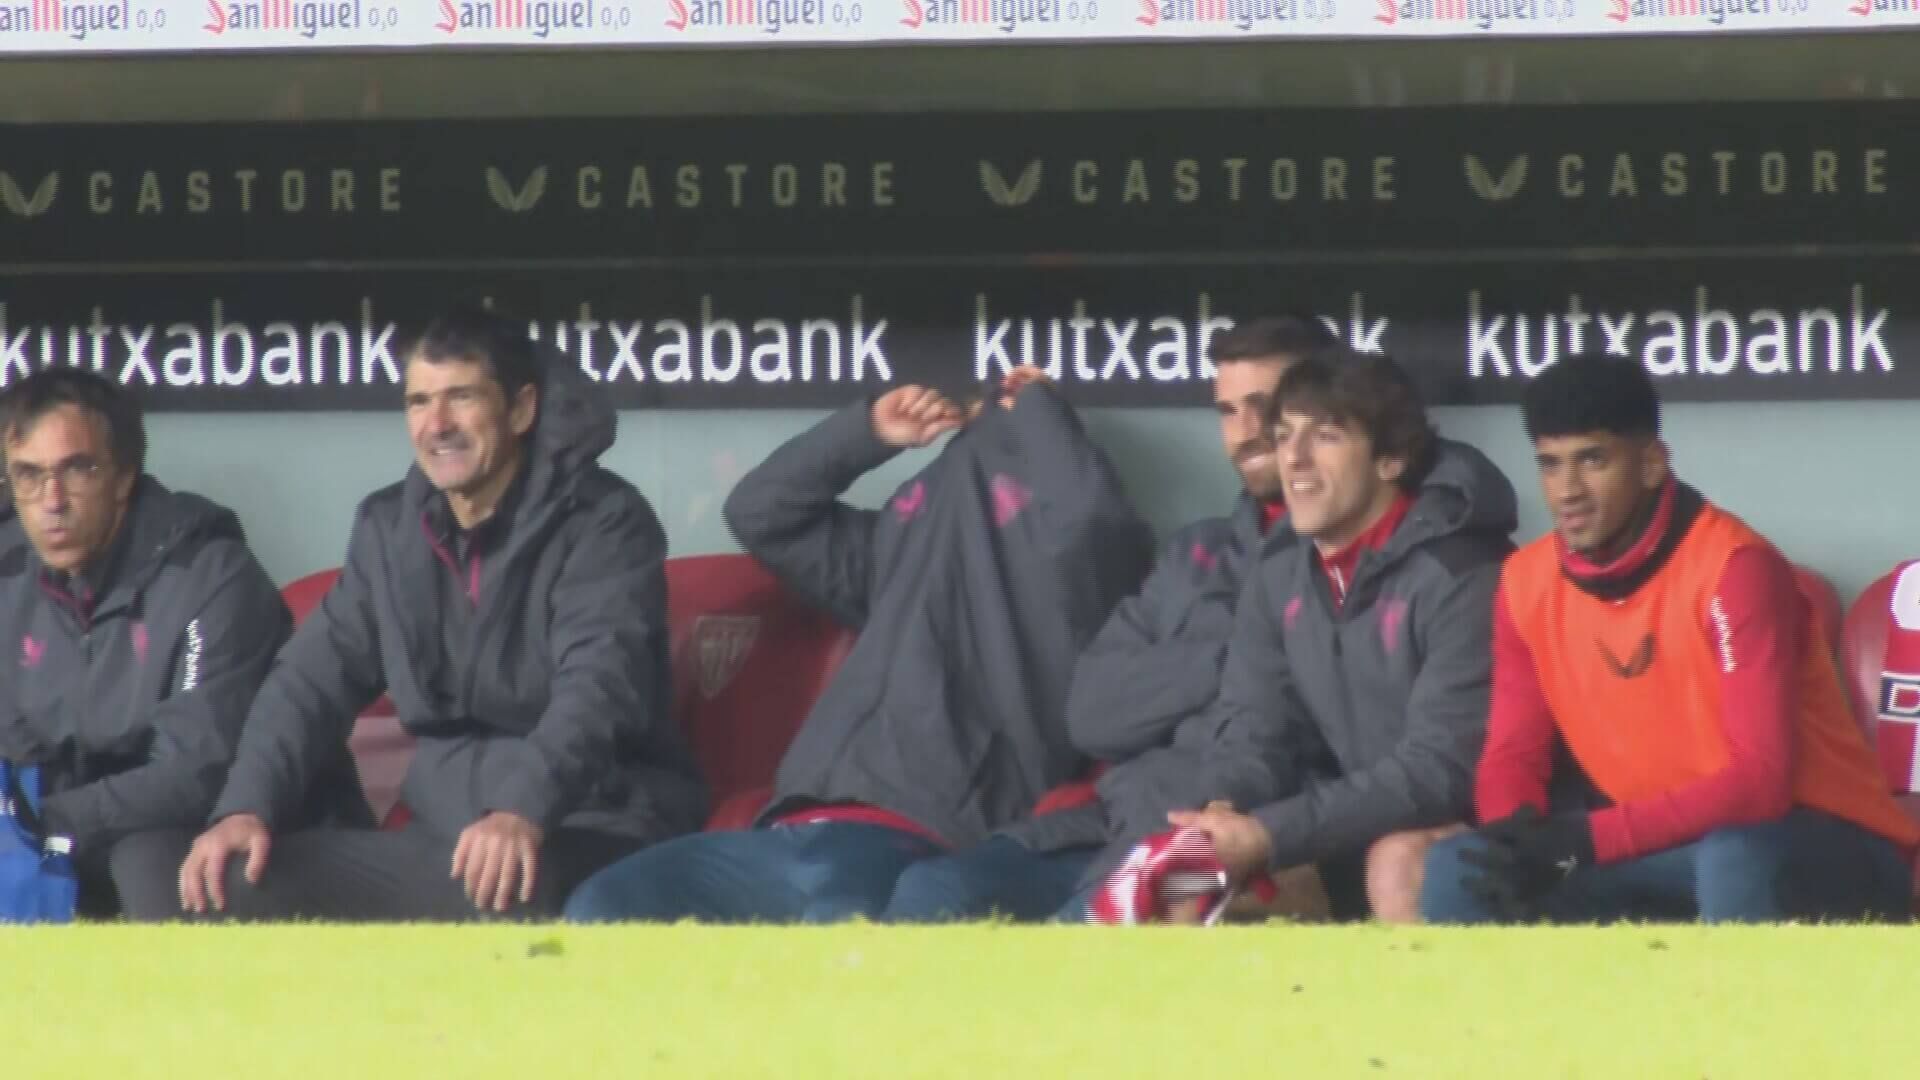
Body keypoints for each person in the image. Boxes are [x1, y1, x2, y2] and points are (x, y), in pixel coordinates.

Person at [162, 305, 706, 922]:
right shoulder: (389, 527)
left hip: (590, 823)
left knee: (506, 888)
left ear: (522, 409)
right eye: (419, 402)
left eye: (461, 398)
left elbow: (599, 687)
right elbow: (309, 683)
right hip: (441, 837)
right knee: (219, 882)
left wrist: (520, 810)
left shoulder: (605, 522)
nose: (436, 424)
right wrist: (244, 809)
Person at [562, 366, 1153, 923]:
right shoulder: (891, 562)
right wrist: (869, 431)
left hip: (908, 839)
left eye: (995, 495)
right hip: (784, 831)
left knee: (835, 948)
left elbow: (1091, 520)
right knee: (603, 903)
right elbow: (761, 512)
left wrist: (1037, 405)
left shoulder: (1073, 588)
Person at [1421, 353, 1918, 924]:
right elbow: (1514, 750)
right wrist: (1518, 839)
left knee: (1736, 855)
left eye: (1592, 460)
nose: (1567, 490)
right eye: (1551, 465)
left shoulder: (1734, 569)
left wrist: (1581, 842)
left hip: (1825, 844)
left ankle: (1753, 1015)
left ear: (1653, 462)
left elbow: (1761, 783)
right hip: (1663, 850)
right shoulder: (1525, 583)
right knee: (1460, 866)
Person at [881, 316, 1337, 922]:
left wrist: (1176, 681)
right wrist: (1236, 650)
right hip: (1116, 818)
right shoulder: (1198, 553)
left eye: (1264, 406)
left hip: (1235, 830)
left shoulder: (1348, 553)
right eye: (1228, 411)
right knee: (930, 894)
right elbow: (1093, 714)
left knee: (1078, 936)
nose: (1246, 433)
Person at [1115, 350, 1516, 924]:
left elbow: (1440, 772)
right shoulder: (1280, 573)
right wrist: (1224, 813)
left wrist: (1270, 834)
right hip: (1356, 825)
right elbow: (1255, 732)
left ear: (1390, 459)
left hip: (1478, 827)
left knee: (1399, 862)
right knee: (1188, 877)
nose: (1294, 460)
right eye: (1284, 437)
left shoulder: (1462, 574)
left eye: (1326, 436)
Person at [0, 368, 345, 918]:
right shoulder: (11, 572)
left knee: (147, 862)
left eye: (77, 469)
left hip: (230, 837)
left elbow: (195, 774)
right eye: (28, 475)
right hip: (68, 831)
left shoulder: (211, 577)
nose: (52, 500)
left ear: (123, 478)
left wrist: (31, 818)